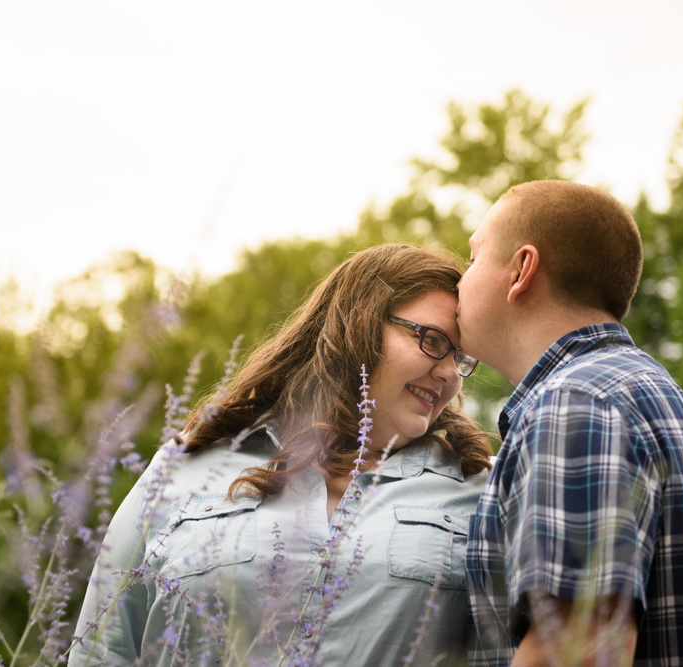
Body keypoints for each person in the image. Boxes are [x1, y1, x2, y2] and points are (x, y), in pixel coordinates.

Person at [70, 243, 497, 666]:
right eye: (432, 340)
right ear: (359, 327)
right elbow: (103, 650)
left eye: (461, 358)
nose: (448, 372)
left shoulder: (483, 491)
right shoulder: (185, 467)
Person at [456, 180, 683, 666]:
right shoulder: (637, 385)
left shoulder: (576, 402)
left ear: (521, 270)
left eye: (473, 256)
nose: (461, 277)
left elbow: (580, 649)